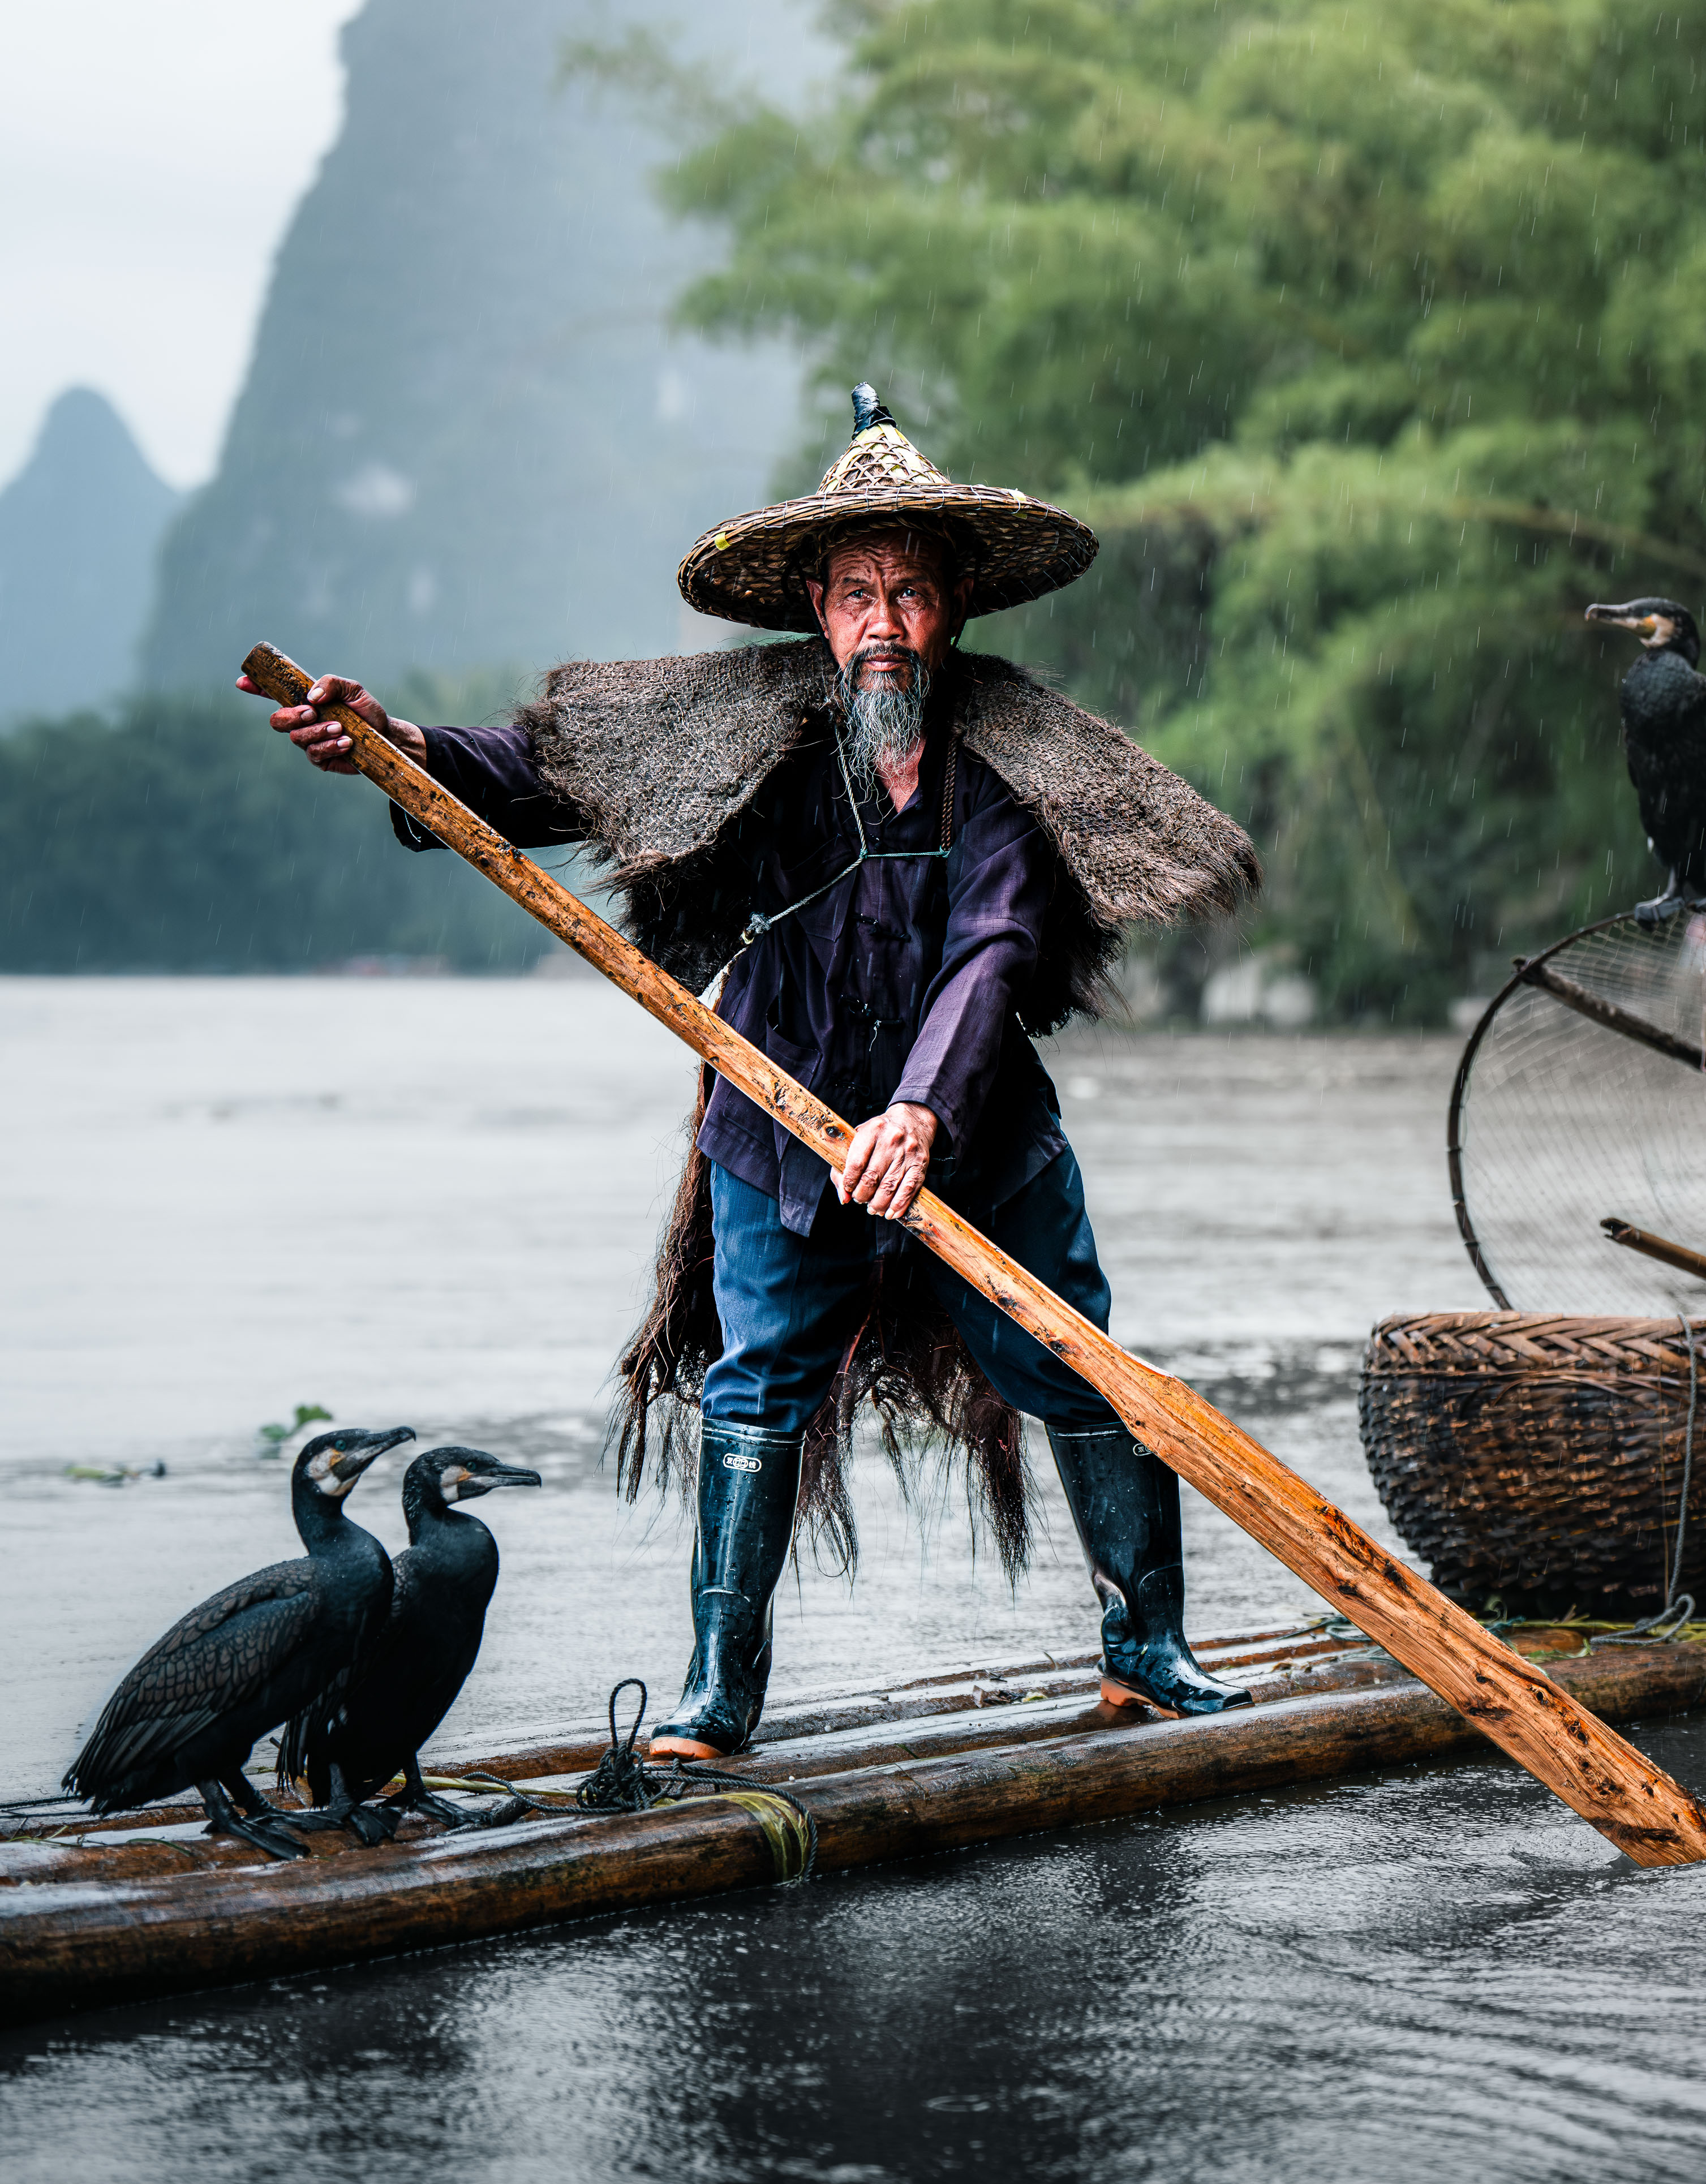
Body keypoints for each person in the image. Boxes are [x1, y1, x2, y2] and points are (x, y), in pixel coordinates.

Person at [244, 384, 1261, 1757]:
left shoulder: (1016, 753)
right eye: (855, 592)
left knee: (1072, 1365)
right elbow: (546, 774)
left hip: (979, 1130)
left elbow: (999, 939)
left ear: (955, 600)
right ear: (813, 604)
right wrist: (399, 751)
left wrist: (922, 1105)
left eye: (909, 591)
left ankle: (1146, 1647)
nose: (883, 625)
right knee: (758, 1384)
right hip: (776, 1127)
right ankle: (720, 1695)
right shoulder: (743, 730)